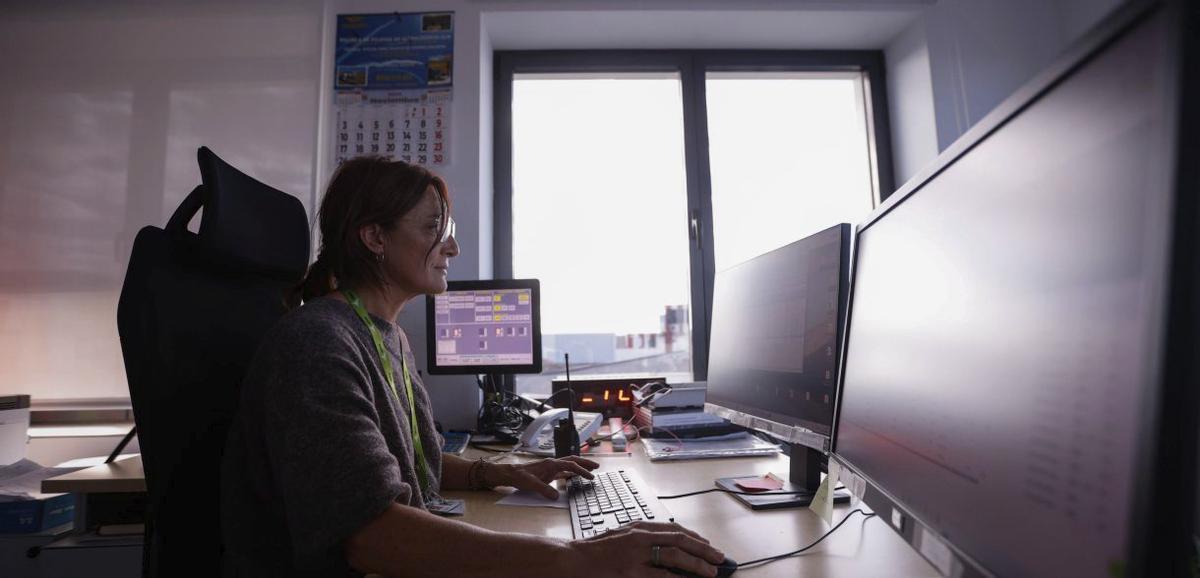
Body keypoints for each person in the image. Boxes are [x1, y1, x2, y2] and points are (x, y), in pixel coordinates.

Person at [220, 156, 725, 577]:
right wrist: (579, 558)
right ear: (375, 237)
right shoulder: (318, 345)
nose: (453, 247)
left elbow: (410, 465)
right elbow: (371, 534)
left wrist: (498, 473)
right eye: (433, 228)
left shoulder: (383, 335)